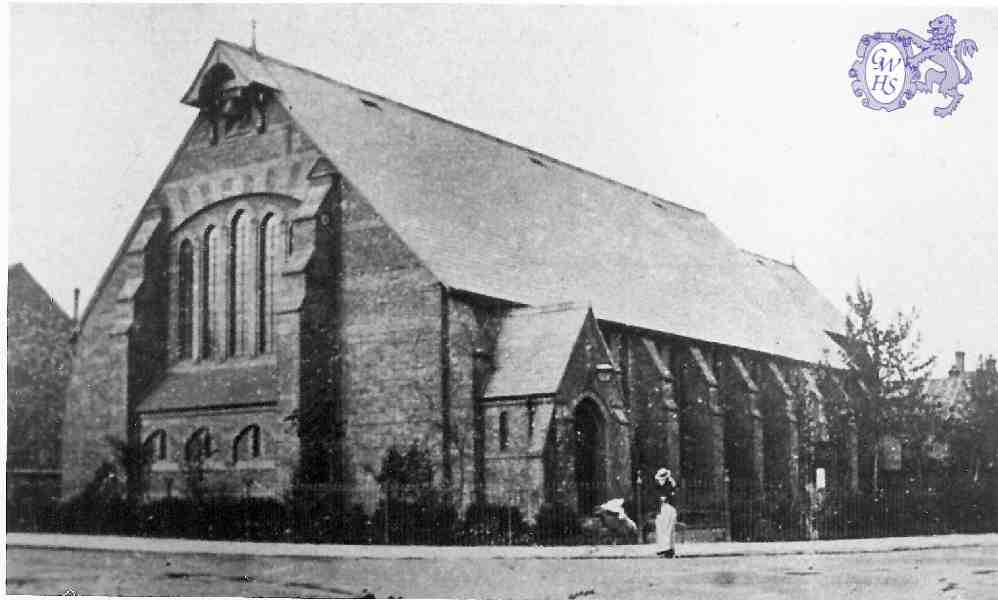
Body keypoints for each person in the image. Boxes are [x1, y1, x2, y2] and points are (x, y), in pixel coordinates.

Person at [653, 468, 678, 558]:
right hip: (661, 508)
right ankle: (662, 548)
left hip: (669, 508)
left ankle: (668, 549)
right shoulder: (658, 485)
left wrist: (666, 498)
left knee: (668, 528)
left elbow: (672, 496)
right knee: (661, 528)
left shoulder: (671, 484)